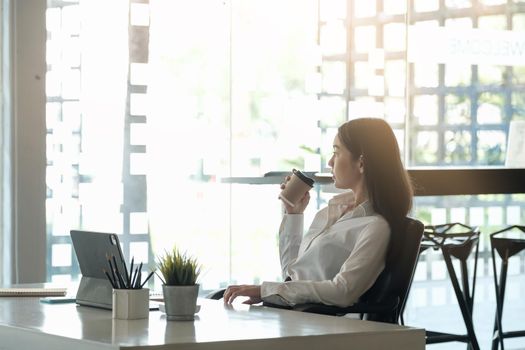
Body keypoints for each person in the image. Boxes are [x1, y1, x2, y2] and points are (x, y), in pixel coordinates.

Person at [224, 118, 413, 307]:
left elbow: (343, 291)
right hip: (290, 313)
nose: (330, 162)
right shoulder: (330, 212)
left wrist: (266, 290)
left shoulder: (376, 227)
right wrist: (294, 215)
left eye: (337, 153)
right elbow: (291, 277)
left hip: (317, 324)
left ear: (362, 163)